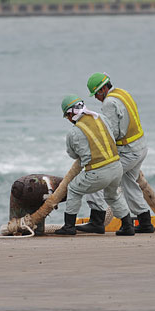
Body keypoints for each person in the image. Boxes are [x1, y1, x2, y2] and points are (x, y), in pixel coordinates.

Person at [77, 72, 155, 234]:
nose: (97, 97)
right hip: (140, 147)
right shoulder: (122, 93)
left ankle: (97, 221)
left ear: (104, 88)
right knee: (129, 183)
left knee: (96, 178)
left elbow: (112, 132)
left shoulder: (109, 103)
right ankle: (145, 222)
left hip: (129, 152)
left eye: (97, 93)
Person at [55, 94, 135, 236]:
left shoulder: (74, 132)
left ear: (70, 113)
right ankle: (128, 226)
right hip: (117, 167)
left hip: (98, 172)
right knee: (113, 196)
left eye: (67, 116)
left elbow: (73, 155)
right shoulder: (101, 118)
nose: (68, 120)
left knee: (74, 189)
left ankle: (69, 226)